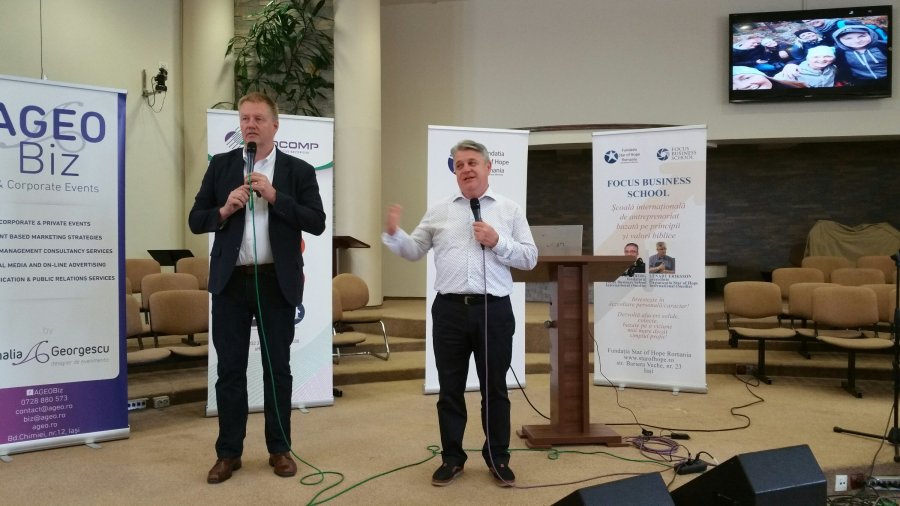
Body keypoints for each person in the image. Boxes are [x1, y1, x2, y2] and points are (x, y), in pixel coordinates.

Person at [189, 92, 327, 484]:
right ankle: (228, 453)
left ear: (275, 125)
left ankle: (279, 449)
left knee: (277, 369)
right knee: (229, 370)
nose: (250, 125)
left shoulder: (298, 170)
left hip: (274, 282)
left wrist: (275, 196)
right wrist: (224, 209)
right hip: (231, 282)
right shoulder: (221, 166)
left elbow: (316, 222)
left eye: (258, 119)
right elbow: (196, 219)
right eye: (245, 118)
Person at [382, 139, 537, 488]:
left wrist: (498, 241)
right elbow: (414, 250)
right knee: (449, 390)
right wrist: (394, 235)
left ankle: (498, 457)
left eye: (472, 163)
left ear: (488, 167)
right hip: (449, 311)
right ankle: (452, 458)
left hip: (493, 311)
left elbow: (530, 258)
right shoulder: (440, 210)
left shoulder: (509, 210)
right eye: (460, 164)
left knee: (495, 389)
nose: (466, 169)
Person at [731, 66, 807, 91]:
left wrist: (790, 65)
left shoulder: (789, 79)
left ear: (763, 75)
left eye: (747, 78)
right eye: (731, 84)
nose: (743, 86)